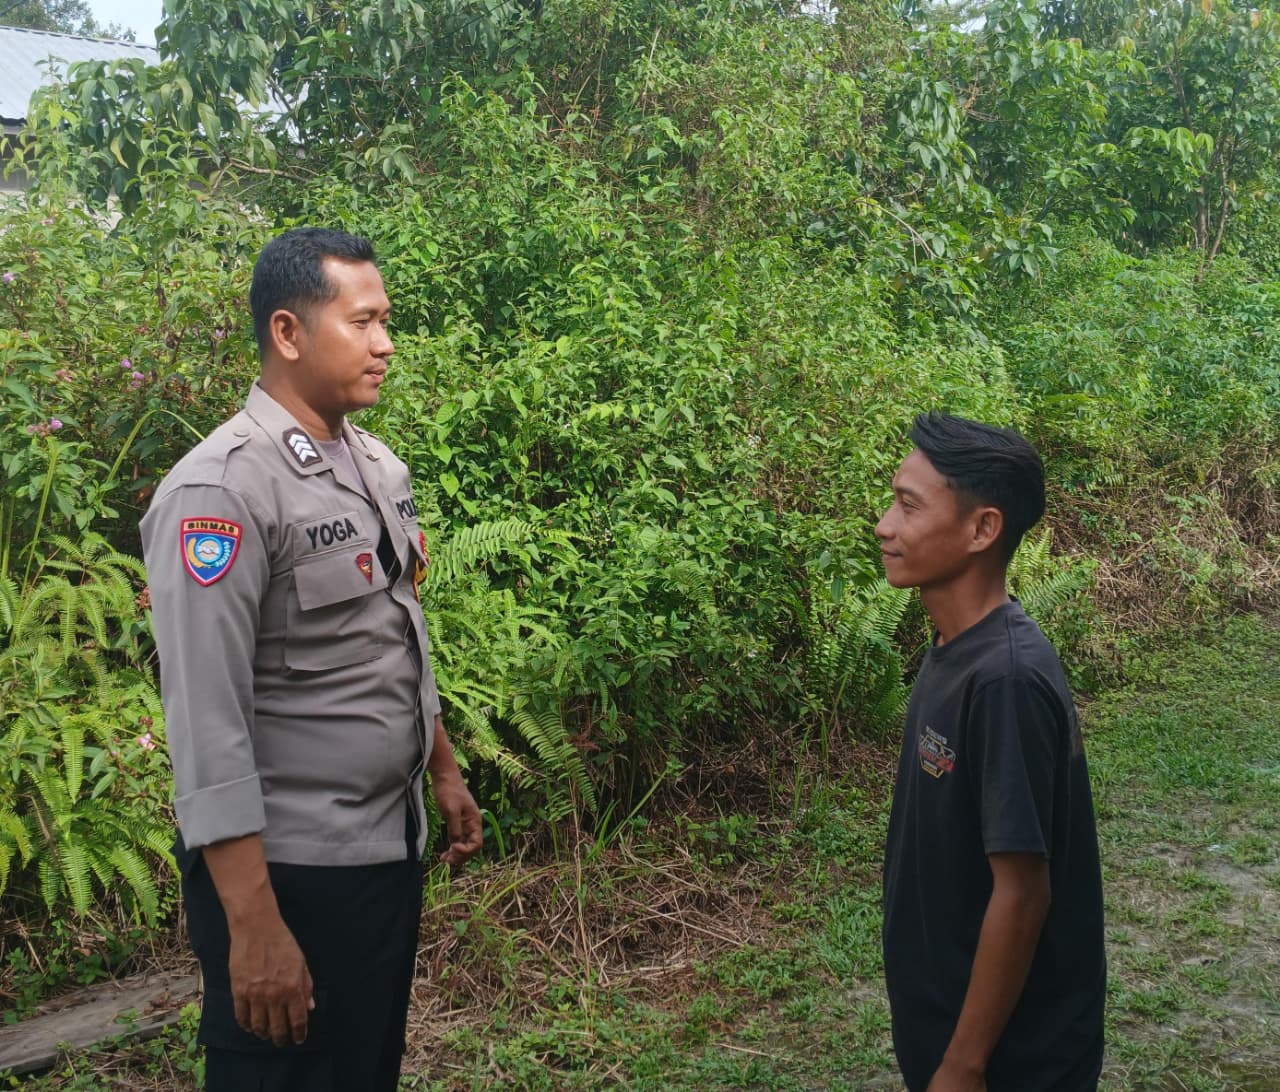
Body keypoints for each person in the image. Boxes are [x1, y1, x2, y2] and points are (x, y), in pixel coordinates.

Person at [141, 227, 483, 1092]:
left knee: (363, 1071)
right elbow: (205, 721)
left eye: (386, 320)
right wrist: (253, 923)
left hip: (381, 857)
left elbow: (397, 633)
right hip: (290, 877)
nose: (386, 343)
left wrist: (442, 770)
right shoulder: (219, 492)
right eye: (363, 322)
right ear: (288, 334)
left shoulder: (374, 467)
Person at [876, 412, 1106, 1092]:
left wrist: (964, 1063)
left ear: (982, 529)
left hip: (1012, 1061)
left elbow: (1023, 890)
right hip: (948, 1025)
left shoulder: (1006, 679)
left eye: (909, 506)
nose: (886, 524)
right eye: (893, 499)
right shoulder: (953, 647)